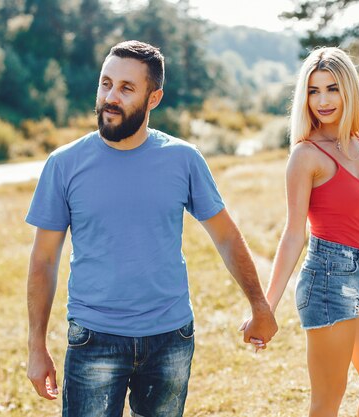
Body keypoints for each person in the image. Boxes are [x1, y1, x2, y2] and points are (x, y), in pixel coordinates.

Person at [25, 40, 277, 417]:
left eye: (127, 88)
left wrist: (260, 305)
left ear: (153, 98)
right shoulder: (64, 164)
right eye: (106, 83)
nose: (111, 96)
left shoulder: (183, 159)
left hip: (170, 339)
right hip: (94, 338)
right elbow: (44, 259)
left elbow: (225, 235)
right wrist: (36, 345)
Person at [249, 47, 359, 416]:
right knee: (328, 400)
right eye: (313, 91)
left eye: (332, 88)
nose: (323, 100)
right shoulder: (306, 156)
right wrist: (265, 307)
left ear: (348, 89)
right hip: (327, 280)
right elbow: (294, 234)